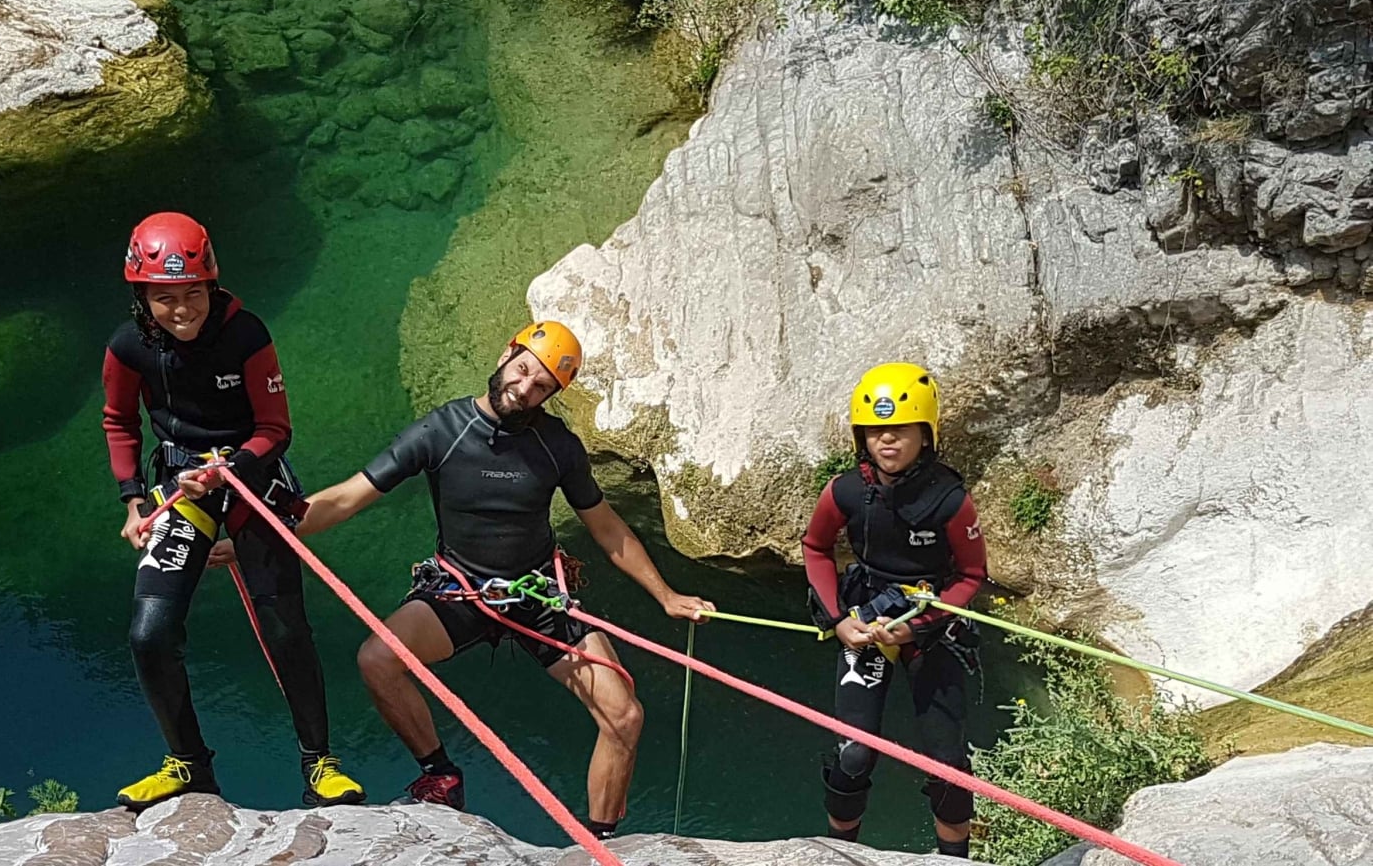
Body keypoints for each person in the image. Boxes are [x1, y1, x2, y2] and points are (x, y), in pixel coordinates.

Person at [237, 320, 713, 839]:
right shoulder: (440, 431)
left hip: (535, 596)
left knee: (624, 716)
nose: (525, 388)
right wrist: (258, 534)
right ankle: (440, 775)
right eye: (524, 369)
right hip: (461, 592)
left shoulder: (557, 445)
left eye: (542, 386)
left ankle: (598, 841)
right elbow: (348, 497)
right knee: (378, 659)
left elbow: (607, 527)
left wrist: (666, 595)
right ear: (509, 353)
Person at [102, 211, 364, 811]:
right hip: (181, 490)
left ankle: (320, 764)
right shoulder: (129, 347)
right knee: (150, 633)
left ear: (211, 286)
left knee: (285, 630)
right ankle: (188, 765)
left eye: (192, 292)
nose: (182, 309)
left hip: (252, 486)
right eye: (165, 297)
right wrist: (132, 498)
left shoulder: (247, 335)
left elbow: (275, 429)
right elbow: (119, 421)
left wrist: (228, 470)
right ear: (142, 295)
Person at [801, 362, 987, 858]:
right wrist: (839, 620)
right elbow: (816, 548)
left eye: (899, 429)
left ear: (925, 435)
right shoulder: (845, 491)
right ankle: (840, 852)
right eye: (875, 430)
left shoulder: (950, 499)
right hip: (867, 614)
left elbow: (971, 577)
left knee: (947, 763)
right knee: (854, 752)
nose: (886, 439)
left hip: (930, 625)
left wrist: (920, 626)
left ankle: (954, 859)